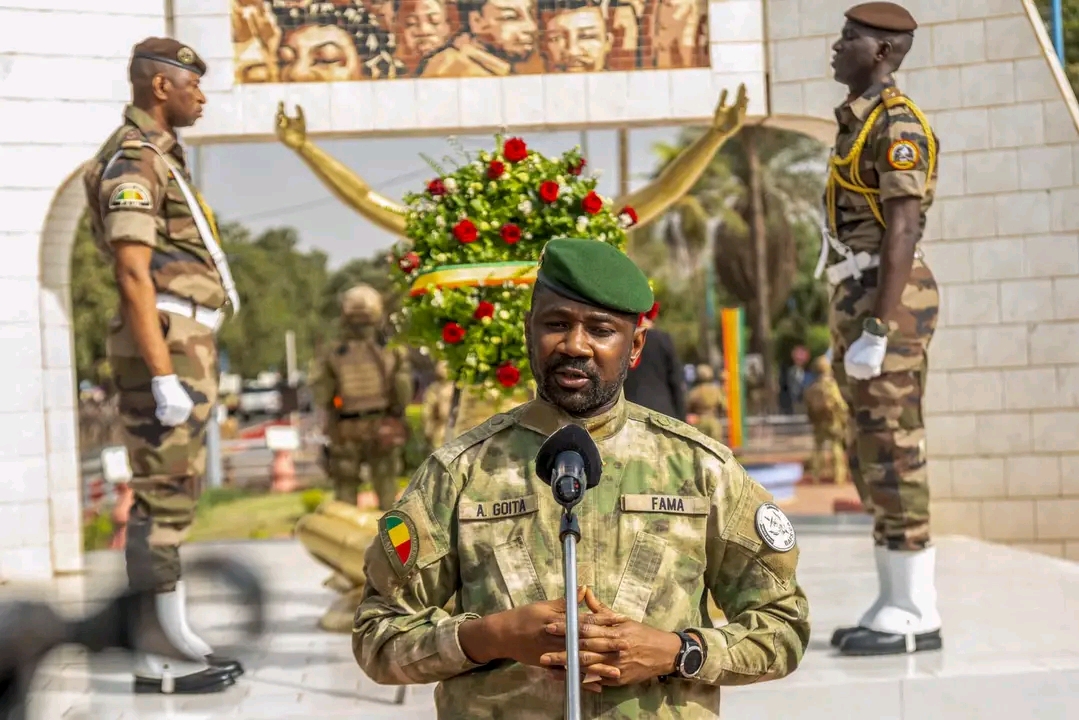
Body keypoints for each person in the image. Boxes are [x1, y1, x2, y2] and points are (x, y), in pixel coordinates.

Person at [353, 238, 809, 717]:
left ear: (634, 346)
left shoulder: (701, 470)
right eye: (556, 324)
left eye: (600, 330)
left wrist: (678, 652)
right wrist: (490, 636)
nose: (575, 345)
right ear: (530, 332)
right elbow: (376, 636)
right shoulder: (461, 472)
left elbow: (783, 625)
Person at [83, 38, 243, 693]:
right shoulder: (135, 161)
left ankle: (169, 629)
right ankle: (150, 649)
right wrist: (159, 373)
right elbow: (131, 271)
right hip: (165, 342)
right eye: (192, 84)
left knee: (174, 502)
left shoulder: (161, 159)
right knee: (158, 504)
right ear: (159, 87)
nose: (201, 96)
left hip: (184, 340)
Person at [822, 2, 941, 657]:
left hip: (888, 295)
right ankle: (892, 595)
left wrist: (877, 325)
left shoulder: (896, 124)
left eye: (849, 39)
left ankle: (916, 607)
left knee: (894, 446)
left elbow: (902, 227)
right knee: (868, 446)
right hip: (861, 286)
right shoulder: (855, 123)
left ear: (883, 53)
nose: (835, 49)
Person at [309, 284, 413, 511]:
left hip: (346, 428)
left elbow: (323, 394)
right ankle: (392, 542)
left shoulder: (333, 351)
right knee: (387, 491)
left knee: (345, 491)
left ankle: (345, 542)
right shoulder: (392, 350)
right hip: (384, 424)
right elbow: (403, 390)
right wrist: (397, 414)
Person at [418, 0, 537, 76]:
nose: (532, 27)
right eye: (510, 17)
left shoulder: (495, 68)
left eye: (531, 14)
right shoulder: (452, 69)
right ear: (476, 21)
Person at [623, 302, 686, 420]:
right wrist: (682, 419)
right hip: (663, 414)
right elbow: (676, 382)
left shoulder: (621, 340)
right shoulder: (663, 340)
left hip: (630, 413)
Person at [803, 355, 849, 485]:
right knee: (836, 447)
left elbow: (807, 403)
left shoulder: (812, 386)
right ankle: (839, 476)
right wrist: (845, 415)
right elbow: (839, 403)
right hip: (832, 421)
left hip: (818, 421)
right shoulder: (830, 385)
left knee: (818, 449)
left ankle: (815, 475)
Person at [422, 360, 456, 450]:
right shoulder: (435, 389)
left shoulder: (435, 389)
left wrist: (428, 431)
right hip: (444, 430)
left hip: (445, 431)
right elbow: (428, 411)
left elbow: (428, 413)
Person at [686, 363, 725, 442]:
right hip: (714, 422)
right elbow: (723, 406)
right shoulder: (716, 390)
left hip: (699, 422)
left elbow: (688, 407)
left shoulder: (694, 392)